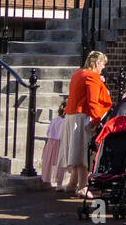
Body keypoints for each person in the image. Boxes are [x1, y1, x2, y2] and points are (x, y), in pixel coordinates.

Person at [59, 51, 112, 195]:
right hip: (81, 116)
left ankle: (72, 183)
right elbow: (93, 102)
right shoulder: (92, 76)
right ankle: (82, 186)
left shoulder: (78, 73)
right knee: (83, 151)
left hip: (71, 115)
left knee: (75, 150)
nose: (103, 68)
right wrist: (96, 120)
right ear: (96, 63)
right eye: (102, 64)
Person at [40, 101, 67, 188]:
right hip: (60, 143)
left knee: (49, 162)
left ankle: (47, 179)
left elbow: (48, 132)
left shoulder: (54, 120)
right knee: (61, 165)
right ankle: (59, 183)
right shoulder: (65, 122)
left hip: (51, 143)